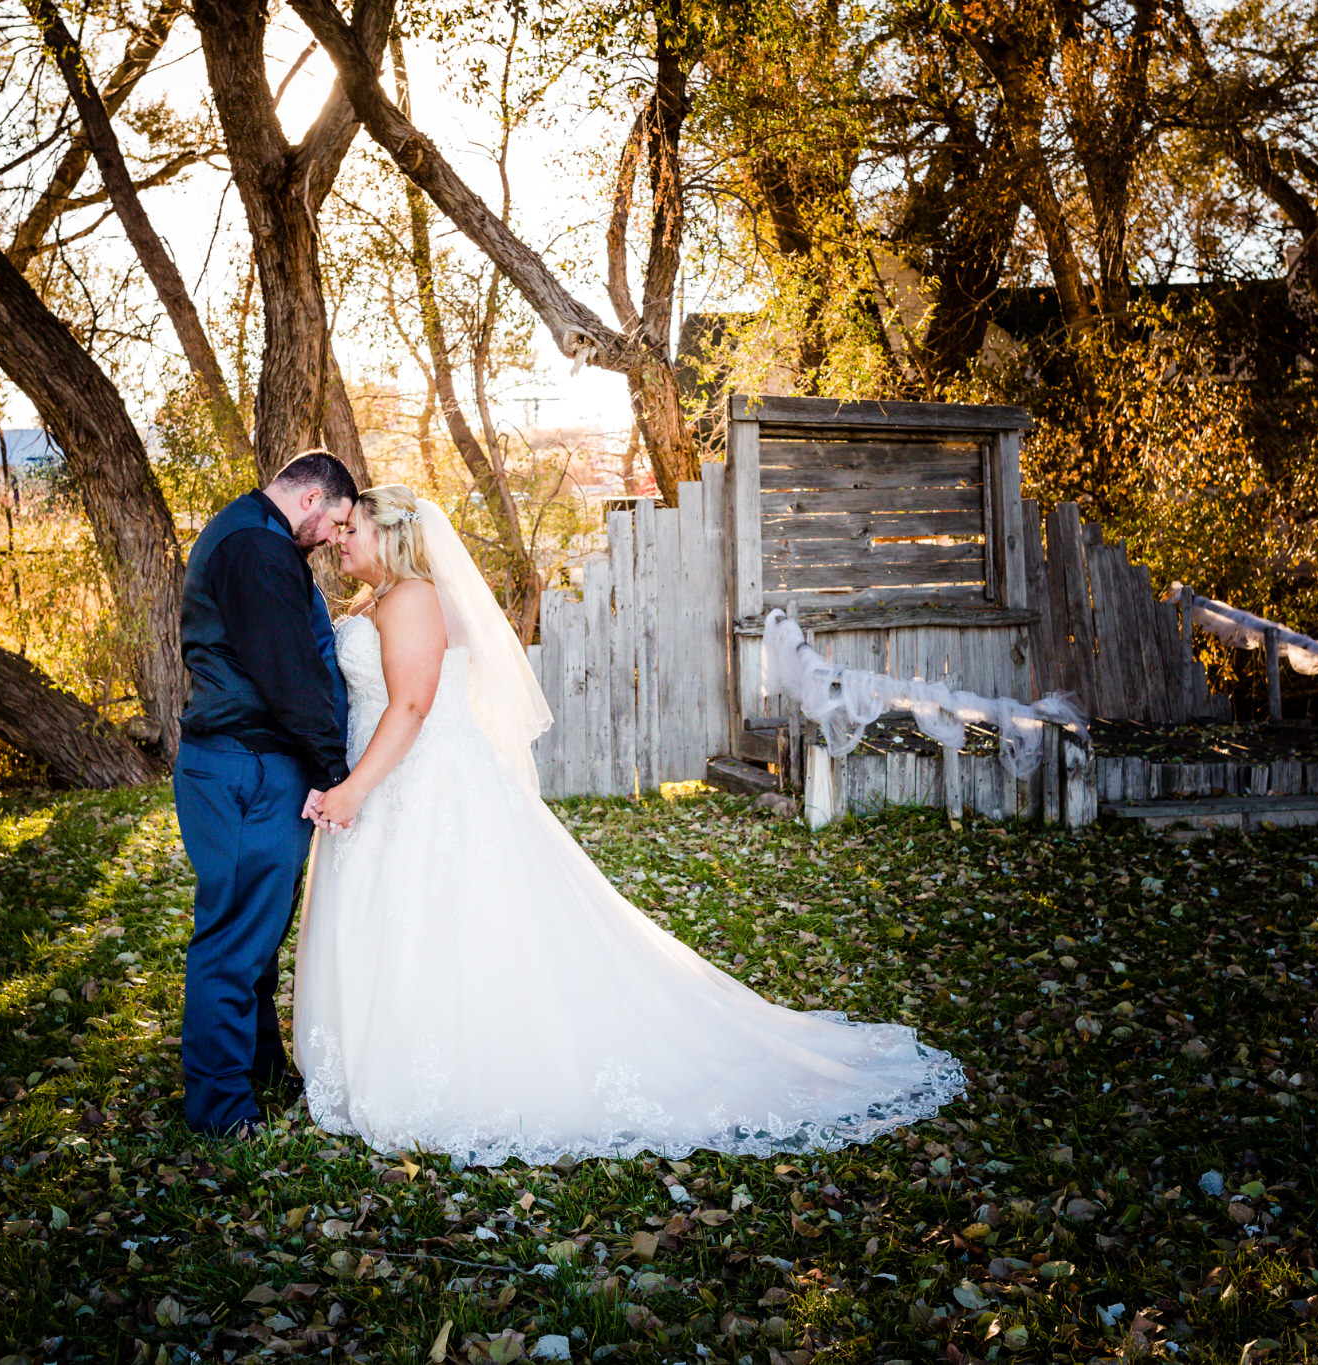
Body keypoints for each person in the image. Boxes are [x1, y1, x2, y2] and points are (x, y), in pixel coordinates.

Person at [291, 485, 963, 1167]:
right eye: (338, 530)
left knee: (450, 927)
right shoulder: (377, 601)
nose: (339, 539)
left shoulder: (410, 599)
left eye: (352, 528)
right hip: (402, 781)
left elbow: (409, 704)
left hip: (419, 782)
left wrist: (352, 790)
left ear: (394, 536)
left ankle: (446, 1067)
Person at [175, 451, 358, 1137]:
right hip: (248, 767)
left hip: (241, 762)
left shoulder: (253, 535)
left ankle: (259, 1070)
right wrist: (334, 771)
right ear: (312, 498)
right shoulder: (257, 548)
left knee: (254, 932)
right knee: (233, 940)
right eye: (336, 521)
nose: (335, 538)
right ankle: (222, 1110)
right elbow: (290, 678)